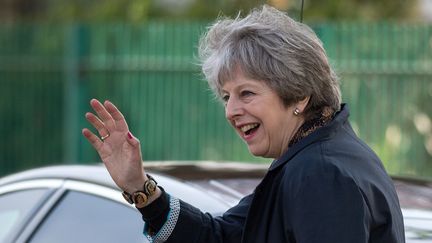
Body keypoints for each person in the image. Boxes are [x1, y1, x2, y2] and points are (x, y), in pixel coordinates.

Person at [82, 5, 405, 243]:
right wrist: (140, 187)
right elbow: (220, 238)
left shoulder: (320, 171)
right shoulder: (317, 157)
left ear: (300, 95)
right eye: (226, 97)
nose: (231, 111)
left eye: (246, 93)